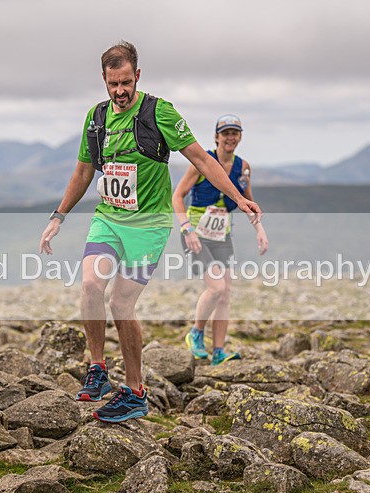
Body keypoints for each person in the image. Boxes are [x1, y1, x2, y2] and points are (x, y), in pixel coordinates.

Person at [39, 41, 261, 422]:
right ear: (104, 81)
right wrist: (58, 216)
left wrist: (239, 198)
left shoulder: (159, 112)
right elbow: (82, 172)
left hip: (149, 225)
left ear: (137, 76)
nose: (120, 91)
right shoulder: (96, 118)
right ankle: (97, 369)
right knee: (91, 285)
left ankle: (135, 392)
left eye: (126, 82)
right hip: (109, 217)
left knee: (121, 304)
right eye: (113, 85)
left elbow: (201, 159)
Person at [172, 114, 268, 365]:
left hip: (222, 234)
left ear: (240, 137)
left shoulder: (243, 167)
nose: (230, 137)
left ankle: (218, 353)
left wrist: (260, 230)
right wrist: (186, 229)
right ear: (216, 137)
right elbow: (177, 196)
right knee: (216, 287)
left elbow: (246, 201)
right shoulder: (201, 162)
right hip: (196, 234)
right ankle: (195, 333)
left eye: (235, 133)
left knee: (225, 294)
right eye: (225, 133)